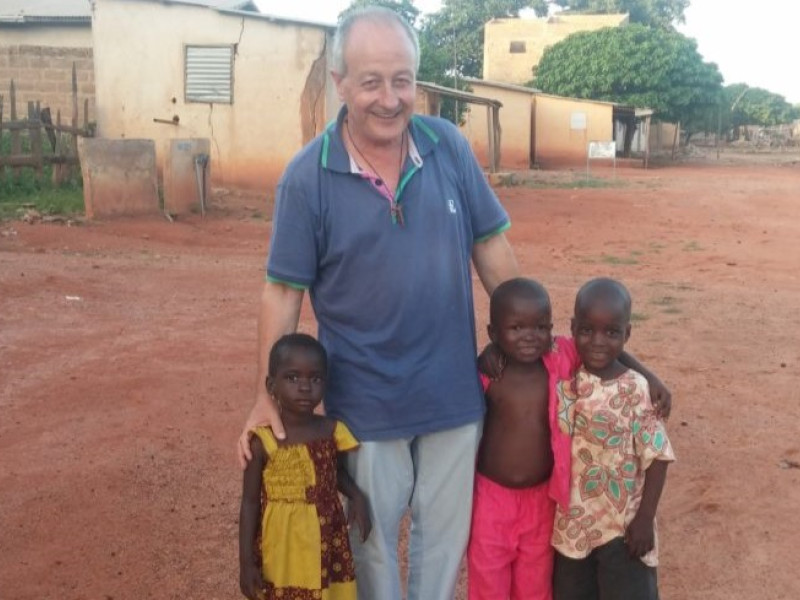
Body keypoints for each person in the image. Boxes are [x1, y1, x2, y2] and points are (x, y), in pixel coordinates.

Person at [238, 7, 519, 600]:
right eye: (371, 82)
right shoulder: (306, 178)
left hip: (451, 395)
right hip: (363, 404)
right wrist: (265, 395)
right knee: (370, 547)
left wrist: (524, 342)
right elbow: (283, 290)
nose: (389, 99)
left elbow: (489, 244)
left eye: (402, 80)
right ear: (339, 82)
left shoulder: (447, 148)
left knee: (445, 544)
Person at [470, 279, 671, 600]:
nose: (529, 337)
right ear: (494, 333)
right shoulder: (488, 372)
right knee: (488, 582)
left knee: (535, 585)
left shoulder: (560, 358)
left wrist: (650, 377)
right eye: (516, 328)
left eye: (540, 327)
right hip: (493, 501)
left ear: (552, 328)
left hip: (544, 502)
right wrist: (488, 351)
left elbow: (603, 345)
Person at [552, 278, 675, 600]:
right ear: (573, 328)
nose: (597, 342)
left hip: (624, 529)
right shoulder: (567, 379)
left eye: (611, 332)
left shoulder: (635, 388)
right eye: (587, 330)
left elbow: (658, 456)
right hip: (572, 528)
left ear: (627, 334)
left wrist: (645, 519)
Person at [238, 333, 371, 600]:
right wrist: (246, 563)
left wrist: (356, 496)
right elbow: (250, 503)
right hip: (282, 547)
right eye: (292, 377)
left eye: (315, 378)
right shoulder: (261, 442)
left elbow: (331, 473)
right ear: (271, 384)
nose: (304, 387)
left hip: (325, 539)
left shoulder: (331, 431)